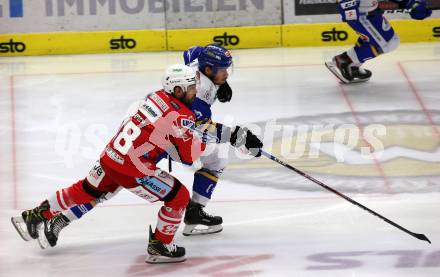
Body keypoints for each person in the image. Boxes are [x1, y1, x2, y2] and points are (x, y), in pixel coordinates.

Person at [12, 64, 205, 264]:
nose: (195, 91)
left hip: (112, 156)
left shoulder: (155, 96)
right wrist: (198, 139)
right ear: (177, 89)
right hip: (134, 169)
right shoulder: (183, 116)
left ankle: (36, 215)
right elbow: (189, 157)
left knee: (85, 189)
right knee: (179, 197)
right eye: (191, 87)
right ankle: (160, 245)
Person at [325, 0, 432, 83]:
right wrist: (350, 11)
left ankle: (351, 63)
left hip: (370, 11)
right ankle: (345, 60)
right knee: (387, 43)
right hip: (362, 14)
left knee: (389, 41)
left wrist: (411, 2)